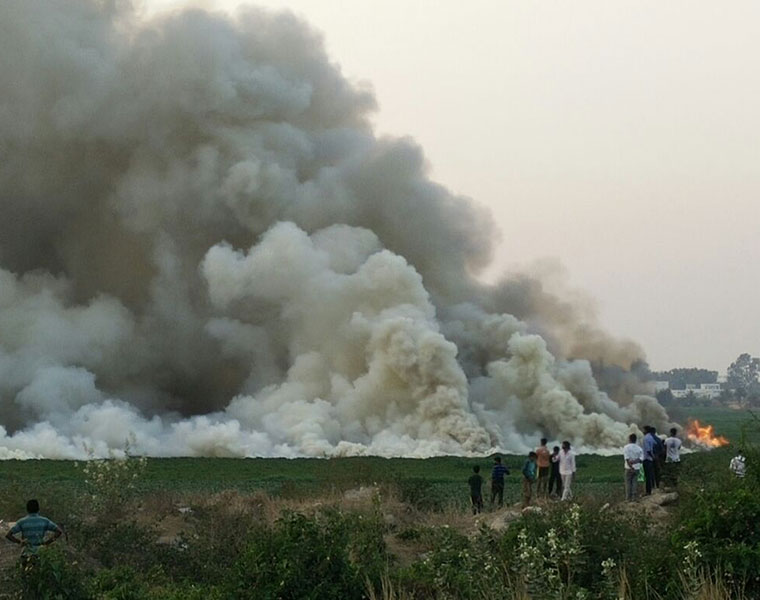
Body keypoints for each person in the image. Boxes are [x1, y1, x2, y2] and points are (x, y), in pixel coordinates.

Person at [623, 433, 644, 501]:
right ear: (635, 440)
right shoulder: (639, 448)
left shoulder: (626, 447)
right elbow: (641, 460)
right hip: (637, 468)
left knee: (628, 483)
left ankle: (628, 499)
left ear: (629, 439)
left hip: (628, 468)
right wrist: (635, 462)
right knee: (635, 483)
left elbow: (627, 459)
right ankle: (634, 498)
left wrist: (631, 466)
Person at [642, 426, 657, 495]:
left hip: (647, 459)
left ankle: (648, 491)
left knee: (647, 476)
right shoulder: (651, 437)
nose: (643, 431)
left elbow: (648, 450)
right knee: (650, 475)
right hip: (650, 460)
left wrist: (652, 456)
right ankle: (652, 488)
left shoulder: (645, 438)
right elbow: (655, 444)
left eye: (643, 430)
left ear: (646, 430)